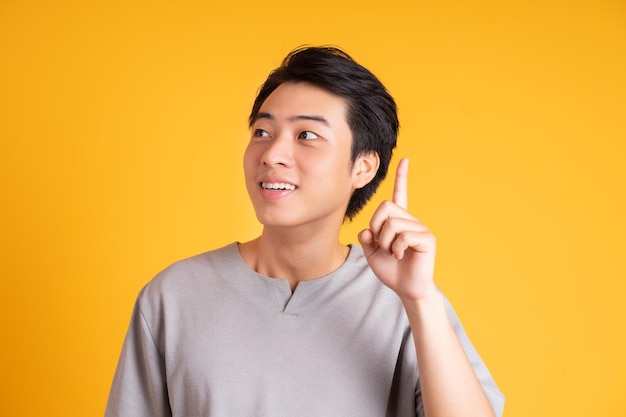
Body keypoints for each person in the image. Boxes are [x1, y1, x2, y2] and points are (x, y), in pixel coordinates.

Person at [105, 46, 504, 417]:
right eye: (262, 132)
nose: (272, 154)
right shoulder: (173, 296)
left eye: (306, 136)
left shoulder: (406, 302)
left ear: (363, 167)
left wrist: (420, 298)